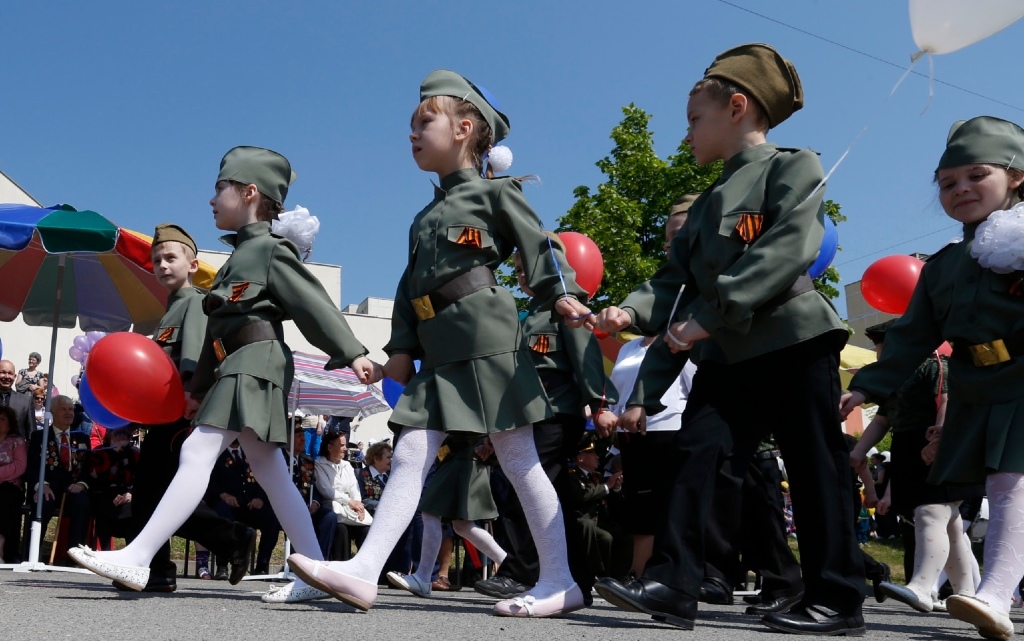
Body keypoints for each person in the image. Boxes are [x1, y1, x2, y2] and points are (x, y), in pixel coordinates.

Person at [287, 69, 594, 618]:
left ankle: (560, 581)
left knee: (519, 457)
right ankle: (363, 572)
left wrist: (562, 294)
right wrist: (400, 346)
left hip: (487, 336)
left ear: (464, 128)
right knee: (409, 452)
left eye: (424, 121)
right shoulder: (424, 217)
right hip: (439, 347)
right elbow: (410, 289)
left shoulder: (496, 194)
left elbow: (541, 248)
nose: (412, 133)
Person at [590, 44, 864, 635]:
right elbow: (670, 285)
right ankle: (674, 583)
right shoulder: (708, 201)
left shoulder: (794, 167)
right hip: (730, 353)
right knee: (698, 458)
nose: (686, 133)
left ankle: (837, 598)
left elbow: (786, 248)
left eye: (695, 119)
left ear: (737, 107)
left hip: (792, 338)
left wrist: (708, 317)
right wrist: (627, 313)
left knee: (816, 465)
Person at [69, 147, 380, 593]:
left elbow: (312, 304)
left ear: (250, 193)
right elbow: (218, 333)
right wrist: (197, 389)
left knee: (197, 453)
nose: (212, 200)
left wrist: (352, 352)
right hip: (239, 364)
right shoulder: (238, 259)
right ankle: (316, 570)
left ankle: (138, 558)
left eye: (220, 189)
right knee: (270, 468)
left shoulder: (269, 251)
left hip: (256, 362)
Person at [841, 116, 1024, 640]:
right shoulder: (943, 267)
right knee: (998, 484)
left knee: (1010, 483)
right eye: (947, 183)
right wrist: (867, 386)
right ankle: (988, 592)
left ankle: (994, 596)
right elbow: (911, 337)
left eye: (977, 174)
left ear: (1016, 176)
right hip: (977, 386)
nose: (961, 188)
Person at [475, 246, 618, 604]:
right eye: (518, 269)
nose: (522, 276)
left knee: (525, 488)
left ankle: (518, 573)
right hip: (527, 415)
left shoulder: (566, 307)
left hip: (558, 412)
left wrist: (601, 405)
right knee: (555, 499)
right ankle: (577, 579)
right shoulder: (527, 315)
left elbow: (586, 359)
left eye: (528, 268)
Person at [851, 320, 982, 613]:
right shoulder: (896, 376)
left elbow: (949, 399)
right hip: (909, 446)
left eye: (881, 346)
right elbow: (884, 418)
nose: (878, 353)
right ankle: (968, 593)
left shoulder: (935, 365)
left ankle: (922, 586)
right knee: (950, 524)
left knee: (930, 512)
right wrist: (860, 449)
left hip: (937, 444)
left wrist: (939, 433)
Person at [387, 433, 508, 598]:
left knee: (432, 513)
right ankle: (511, 567)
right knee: (462, 525)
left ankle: (423, 577)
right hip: (461, 454)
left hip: (464, 453)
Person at [27, 395, 92, 557]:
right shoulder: (38, 437)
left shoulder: (82, 438)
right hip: (48, 487)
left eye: (71, 409)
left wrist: (82, 484)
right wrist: (41, 485)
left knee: (82, 502)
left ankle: (74, 554)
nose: (69, 413)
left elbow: (88, 468)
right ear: (52, 412)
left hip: (74, 487)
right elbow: (32, 467)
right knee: (43, 501)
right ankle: (32, 552)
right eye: (63, 409)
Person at [207, 441, 279, 576]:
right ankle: (222, 565)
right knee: (223, 517)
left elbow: (263, 478)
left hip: (249, 505)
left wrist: (260, 498)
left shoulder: (250, 454)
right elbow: (209, 480)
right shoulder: (217, 454)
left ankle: (262, 566)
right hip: (226, 504)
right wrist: (223, 494)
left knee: (271, 518)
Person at [87, 427, 140, 543]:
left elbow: (141, 480)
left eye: (125, 434)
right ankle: (105, 551)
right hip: (104, 494)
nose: (121, 436)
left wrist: (130, 494)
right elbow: (95, 479)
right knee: (102, 505)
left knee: (133, 508)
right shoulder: (98, 452)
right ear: (109, 434)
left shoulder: (135, 453)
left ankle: (130, 553)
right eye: (117, 433)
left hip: (128, 496)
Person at [0, 405, 27, 563]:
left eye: (3, 419)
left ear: (10, 424)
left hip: (11, 487)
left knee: (4, 496)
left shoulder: (17, 442)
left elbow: (19, 466)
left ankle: (3, 549)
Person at [0, 360, 35, 439]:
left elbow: (31, 433)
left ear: (15, 376)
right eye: (3, 372)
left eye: (10, 373)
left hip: (17, 449)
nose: (6, 376)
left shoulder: (25, 401)